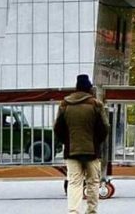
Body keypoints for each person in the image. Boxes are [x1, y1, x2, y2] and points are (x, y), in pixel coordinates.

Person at [53, 74, 110, 214]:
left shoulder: (65, 104)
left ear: (76, 88)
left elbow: (57, 128)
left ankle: (73, 211)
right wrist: (97, 141)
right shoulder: (96, 105)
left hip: (72, 151)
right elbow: (105, 127)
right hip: (92, 151)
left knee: (74, 182)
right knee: (93, 182)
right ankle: (91, 211)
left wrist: (67, 141)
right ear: (89, 89)